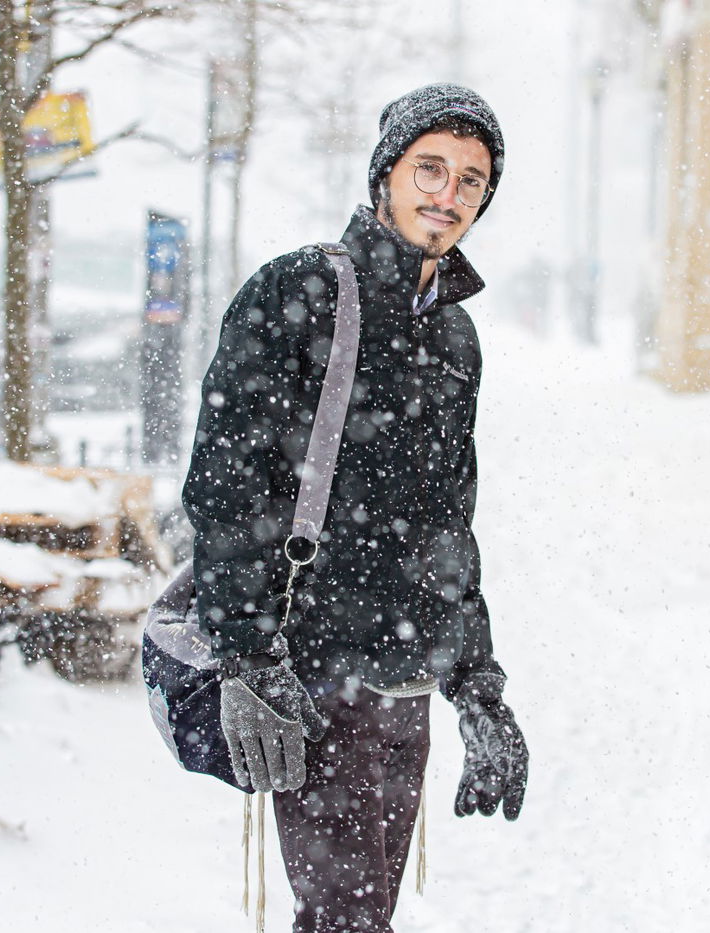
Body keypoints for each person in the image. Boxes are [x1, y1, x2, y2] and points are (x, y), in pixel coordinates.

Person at [182, 83, 529, 933]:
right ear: (386, 174)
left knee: (359, 918)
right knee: (346, 921)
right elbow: (228, 483)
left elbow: (447, 528)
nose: (448, 194)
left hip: (404, 680)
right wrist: (248, 654)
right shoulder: (300, 289)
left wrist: (477, 686)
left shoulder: (454, 337)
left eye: (471, 180)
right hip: (308, 674)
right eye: (430, 169)